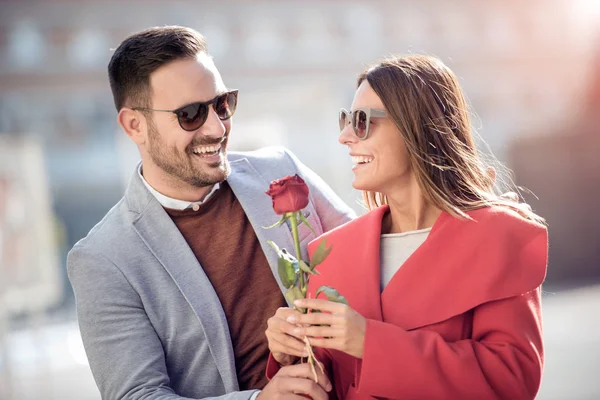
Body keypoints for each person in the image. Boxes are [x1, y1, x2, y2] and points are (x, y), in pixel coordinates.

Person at [67, 26, 354, 400]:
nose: (217, 127)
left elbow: (366, 255)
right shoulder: (103, 260)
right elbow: (137, 395)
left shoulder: (281, 171)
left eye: (222, 104)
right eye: (190, 114)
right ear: (134, 125)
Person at [265, 55, 548, 400]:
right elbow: (326, 382)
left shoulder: (497, 236)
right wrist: (290, 352)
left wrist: (370, 342)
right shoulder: (331, 252)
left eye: (362, 121)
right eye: (346, 120)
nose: (344, 136)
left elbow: (510, 380)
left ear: (418, 126)